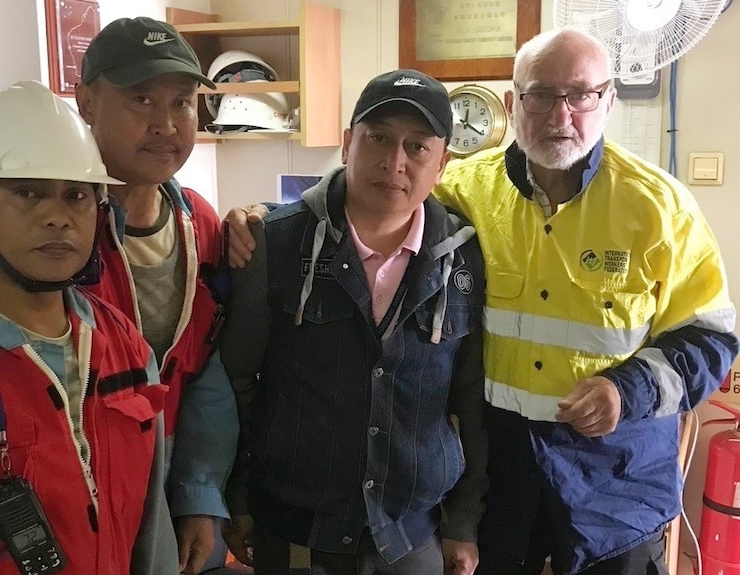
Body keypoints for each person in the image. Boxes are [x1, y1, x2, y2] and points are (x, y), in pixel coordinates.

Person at [226, 28, 740, 575]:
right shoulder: (466, 189)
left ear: (608, 101)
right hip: (503, 486)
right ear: (515, 103)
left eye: (581, 95)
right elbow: (376, 192)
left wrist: (626, 389)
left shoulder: (662, 208)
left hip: (613, 488)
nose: (561, 115)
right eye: (542, 95)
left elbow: (712, 340)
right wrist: (267, 219)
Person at [0, 17, 237, 575]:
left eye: (183, 102)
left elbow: (207, 366)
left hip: (143, 490)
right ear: (88, 103)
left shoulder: (201, 229)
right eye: (142, 99)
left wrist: (198, 493)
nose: (166, 124)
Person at [219, 69, 488, 575]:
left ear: (443, 163)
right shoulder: (273, 246)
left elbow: (468, 400)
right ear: (348, 144)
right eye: (378, 138)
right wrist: (239, 499)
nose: (394, 163)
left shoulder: (464, 260)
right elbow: (236, 384)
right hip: (297, 530)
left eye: (417, 147)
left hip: (413, 531)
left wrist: (463, 522)